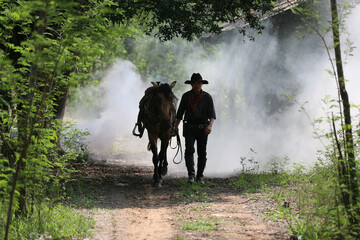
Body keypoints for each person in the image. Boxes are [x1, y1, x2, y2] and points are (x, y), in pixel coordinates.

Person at [175, 73, 216, 184]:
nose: (196, 85)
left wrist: (210, 126)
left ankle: (200, 176)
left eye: (198, 83)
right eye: (194, 83)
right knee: (189, 150)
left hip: (203, 129)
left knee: (202, 153)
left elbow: (212, 115)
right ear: (191, 84)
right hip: (189, 128)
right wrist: (175, 127)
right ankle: (191, 175)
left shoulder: (207, 97)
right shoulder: (185, 96)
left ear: (202, 84)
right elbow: (179, 114)